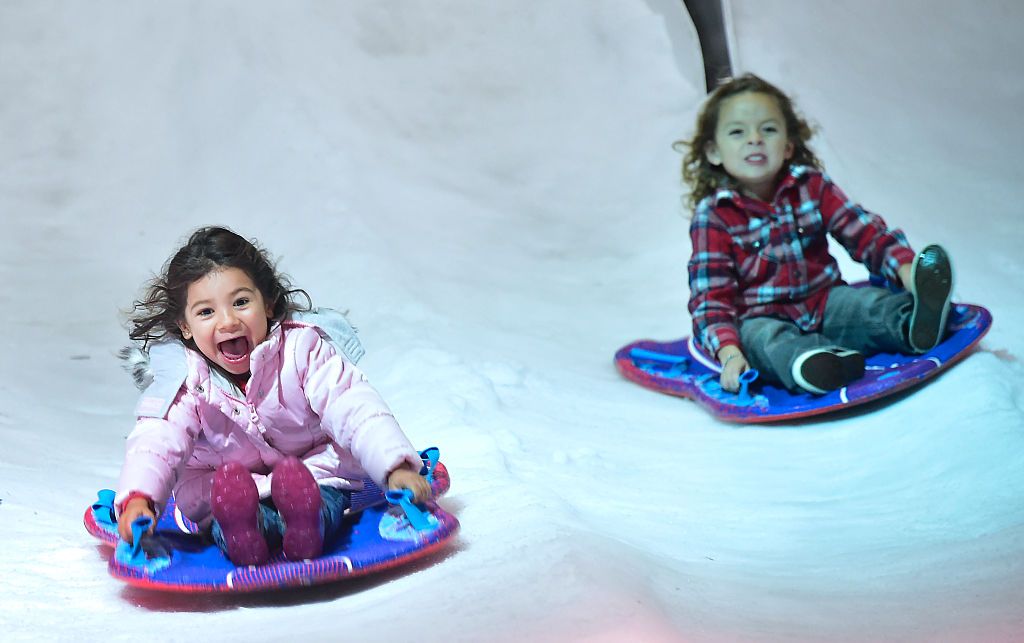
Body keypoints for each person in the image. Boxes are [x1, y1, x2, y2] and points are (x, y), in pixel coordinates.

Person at [115, 226, 431, 566]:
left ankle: (307, 526)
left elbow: (353, 405)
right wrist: (139, 497)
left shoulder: (302, 351)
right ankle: (242, 533)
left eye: (241, 302)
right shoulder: (185, 379)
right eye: (206, 312)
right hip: (224, 490)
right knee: (229, 513)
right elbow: (158, 440)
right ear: (185, 326)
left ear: (267, 304)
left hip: (312, 475)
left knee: (319, 500)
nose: (228, 321)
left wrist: (394, 466)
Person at [677, 73, 953, 395]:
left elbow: (863, 233)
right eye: (738, 132)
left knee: (865, 305)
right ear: (713, 152)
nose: (755, 139)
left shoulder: (811, 186)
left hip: (826, 303)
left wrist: (908, 272)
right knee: (765, 342)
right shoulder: (713, 216)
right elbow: (711, 298)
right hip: (761, 319)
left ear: (788, 146)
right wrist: (730, 353)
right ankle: (816, 364)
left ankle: (913, 324)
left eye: (768, 129)